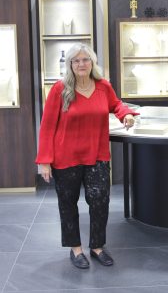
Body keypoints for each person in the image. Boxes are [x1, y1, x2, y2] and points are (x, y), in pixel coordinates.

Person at [35, 43, 138, 269]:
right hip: (65, 158)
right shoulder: (60, 89)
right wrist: (44, 160)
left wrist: (126, 115)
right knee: (68, 204)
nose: (81, 64)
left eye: (86, 59)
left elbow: (116, 105)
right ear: (70, 64)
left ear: (92, 62)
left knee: (100, 202)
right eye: (76, 60)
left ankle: (97, 246)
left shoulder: (103, 86)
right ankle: (76, 249)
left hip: (98, 156)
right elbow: (47, 126)